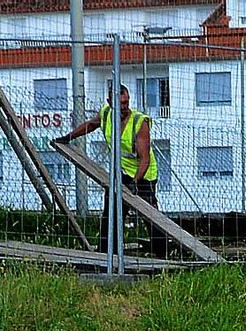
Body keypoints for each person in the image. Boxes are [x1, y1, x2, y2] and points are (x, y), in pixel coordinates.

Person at [55, 86, 165, 258]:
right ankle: (107, 252)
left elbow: (145, 159)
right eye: (119, 103)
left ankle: (162, 253)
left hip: (143, 176)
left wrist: (135, 182)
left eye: (126, 102)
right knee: (111, 211)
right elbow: (91, 125)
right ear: (109, 102)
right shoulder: (106, 114)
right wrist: (69, 137)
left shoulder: (139, 122)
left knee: (150, 215)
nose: (123, 106)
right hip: (120, 172)